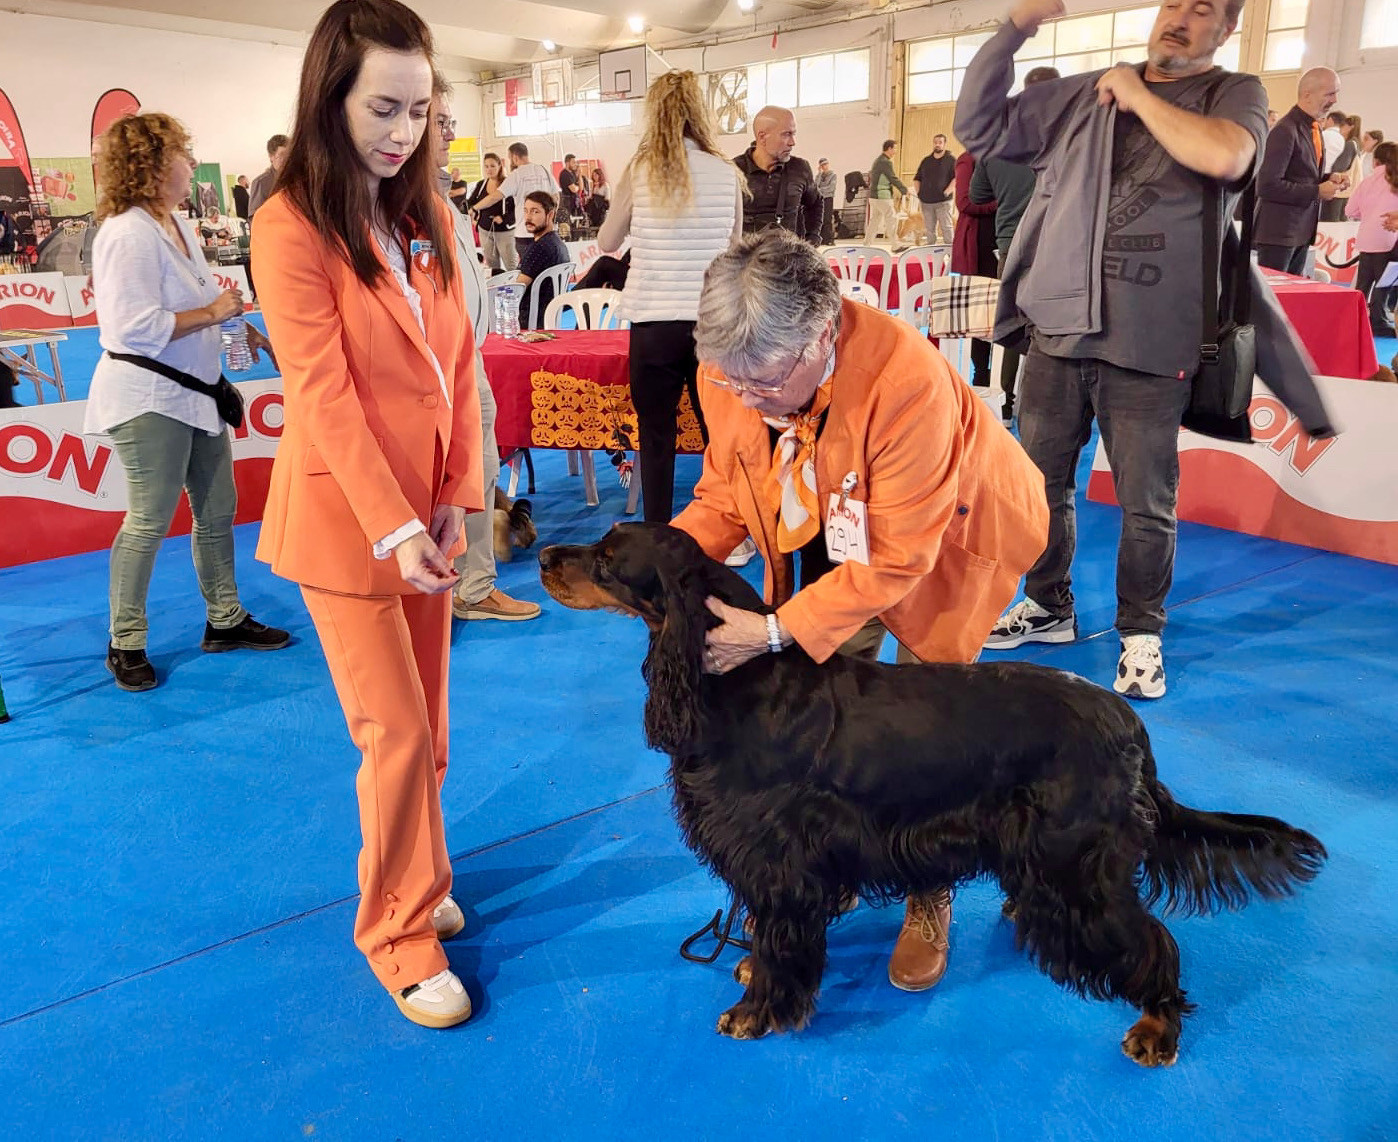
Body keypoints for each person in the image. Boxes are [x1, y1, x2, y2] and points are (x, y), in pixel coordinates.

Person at [673, 229, 1049, 996]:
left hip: (945, 540)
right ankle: (842, 859)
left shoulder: (906, 379)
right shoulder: (735, 364)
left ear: (821, 335)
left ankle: (929, 888)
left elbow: (900, 557)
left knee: (928, 731)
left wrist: (776, 629)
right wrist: (667, 575)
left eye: (765, 383)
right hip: (830, 534)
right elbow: (723, 492)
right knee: (832, 719)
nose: (746, 398)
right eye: (730, 381)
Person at [957, 0, 1329, 700]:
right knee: (1041, 488)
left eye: (1204, 10)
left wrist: (1135, 94)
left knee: (1146, 501)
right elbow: (977, 126)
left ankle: (1141, 632)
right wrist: (1015, 28)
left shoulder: (1233, 94)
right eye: (1174, 3)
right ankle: (1048, 605)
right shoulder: (1081, 94)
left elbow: (1225, 154)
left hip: (1153, 342)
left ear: (1224, 29)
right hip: (1058, 335)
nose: (1181, 17)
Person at [252, 0, 485, 1030]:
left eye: (420, 111)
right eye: (383, 108)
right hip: (346, 528)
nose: (402, 131)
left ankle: (424, 872)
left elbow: (461, 363)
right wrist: (395, 522)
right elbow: (323, 393)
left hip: (425, 518)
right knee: (392, 730)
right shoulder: (288, 222)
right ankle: (395, 930)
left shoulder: (425, 215)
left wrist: (454, 502)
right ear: (330, 100)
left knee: (429, 731)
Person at [83, 111, 288, 693]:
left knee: (216, 509)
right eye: (182, 154)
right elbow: (131, 328)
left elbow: (192, 304)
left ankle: (224, 618)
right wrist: (213, 313)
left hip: (196, 394)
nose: (192, 164)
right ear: (151, 164)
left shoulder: (173, 225)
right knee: (149, 520)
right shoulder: (126, 232)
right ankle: (125, 641)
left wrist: (231, 322)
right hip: (148, 397)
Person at [599, 69, 742, 524]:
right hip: (710, 323)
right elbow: (735, 248)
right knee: (719, 435)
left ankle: (656, 532)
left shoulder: (640, 171)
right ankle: (730, 524)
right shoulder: (726, 172)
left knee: (655, 437)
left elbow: (605, 242)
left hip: (654, 321)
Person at [428, 80, 540, 622]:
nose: (450, 134)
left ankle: (473, 585)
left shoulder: (441, 199)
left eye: (450, 123)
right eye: (442, 123)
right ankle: (462, 587)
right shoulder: (408, 201)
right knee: (459, 473)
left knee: (483, 469)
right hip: (442, 362)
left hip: (468, 355)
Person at [968, 65, 1061, 425]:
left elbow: (977, 195)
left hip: (1011, 245)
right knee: (1057, 328)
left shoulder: (998, 145)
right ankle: (1051, 409)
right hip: (1059, 245)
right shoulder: (1067, 137)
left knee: (1012, 325)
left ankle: (1006, 402)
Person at [1254, 69, 1347, 274]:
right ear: (1307, 94)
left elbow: (1301, 174)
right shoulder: (1285, 130)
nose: (1335, 100)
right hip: (1279, 235)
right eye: (1330, 94)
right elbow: (1267, 185)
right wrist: (1317, 191)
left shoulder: (1313, 129)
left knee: (1291, 301)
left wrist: (1329, 179)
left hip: (1300, 233)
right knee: (1274, 301)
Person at [734, 105, 822, 242]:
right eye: (786, 134)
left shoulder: (800, 168)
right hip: (747, 260)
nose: (793, 142)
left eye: (793, 134)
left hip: (789, 259)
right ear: (762, 137)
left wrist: (812, 238)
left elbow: (815, 203)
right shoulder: (734, 171)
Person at [951, 151, 997, 388]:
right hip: (978, 244)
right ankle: (981, 372)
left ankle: (1000, 376)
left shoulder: (1007, 157)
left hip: (1001, 238)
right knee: (981, 312)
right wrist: (1001, 204)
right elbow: (963, 202)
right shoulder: (968, 160)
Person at [468, 141, 558, 262]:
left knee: (527, 271)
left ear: (514, 157)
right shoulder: (544, 170)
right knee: (547, 267)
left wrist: (475, 208)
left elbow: (495, 196)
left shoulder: (516, 175)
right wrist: (549, 218)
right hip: (546, 231)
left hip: (525, 233)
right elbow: (556, 197)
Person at [1346, 141, 1398, 337]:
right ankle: (1379, 321)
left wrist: (1368, 214)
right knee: (1383, 284)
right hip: (1389, 238)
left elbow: (1349, 210)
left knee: (1363, 284)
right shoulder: (1395, 180)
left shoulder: (1366, 181)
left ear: (1375, 161)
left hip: (1366, 238)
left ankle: (1354, 319)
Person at [515, 190, 569, 328]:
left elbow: (517, 287)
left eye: (535, 212)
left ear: (550, 215)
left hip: (529, 321)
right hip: (549, 317)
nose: (528, 217)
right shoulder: (557, 243)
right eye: (526, 211)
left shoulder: (540, 248)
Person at [465, 152, 516, 272]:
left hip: (504, 232)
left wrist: (504, 218)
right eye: (486, 166)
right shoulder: (481, 184)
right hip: (485, 230)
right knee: (492, 266)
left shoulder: (509, 183)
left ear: (500, 166)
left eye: (492, 166)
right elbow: (471, 202)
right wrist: (473, 214)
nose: (489, 169)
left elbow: (516, 208)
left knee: (511, 265)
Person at [913, 135, 957, 245]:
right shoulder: (926, 161)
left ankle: (950, 254)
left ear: (944, 144)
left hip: (943, 202)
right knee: (929, 229)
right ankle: (930, 254)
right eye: (935, 142)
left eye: (940, 142)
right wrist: (919, 193)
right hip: (926, 202)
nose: (937, 144)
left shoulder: (951, 160)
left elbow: (956, 178)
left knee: (946, 228)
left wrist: (947, 191)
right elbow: (917, 178)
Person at [867, 139, 908, 243]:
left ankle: (866, 244)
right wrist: (904, 190)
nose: (895, 151)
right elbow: (892, 178)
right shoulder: (886, 162)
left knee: (874, 221)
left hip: (873, 196)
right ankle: (896, 244)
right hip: (882, 195)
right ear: (889, 148)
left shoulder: (878, 160)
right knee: (891, 218)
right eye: (894, 149)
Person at [1322, 112, 1361, 222]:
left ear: (1350, 127)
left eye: (1342, 126)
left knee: (1331, 222)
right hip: (1345, 192)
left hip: (1338, 192)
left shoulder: (1349, 144)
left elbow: (1340, 167)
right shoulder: (1356, 143)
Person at [247, 133, 289, 217]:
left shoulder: (296, 180)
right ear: (271, 156)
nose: (287, 159)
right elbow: (255, 219)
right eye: (282, 155)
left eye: (289, 154)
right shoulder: (261, 183)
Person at [815, 157, 838, 244]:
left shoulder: (833, 175)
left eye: (826, 164)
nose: (825, 166)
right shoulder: (819, 176)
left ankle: (830, 239)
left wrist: (820, 190)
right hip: (820, 199)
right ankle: (822, 239)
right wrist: (819, 174)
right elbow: (815, 186)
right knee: (821, 219)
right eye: (823, 165)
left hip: (828, 198)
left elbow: (831, 188)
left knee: (828, 219)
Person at [558, 153, 581, 220]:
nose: (575, 164)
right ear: (567, 163)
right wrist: (577, 187)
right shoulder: (565, 174)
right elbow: (573, 189)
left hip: (574, 200)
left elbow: (580, 185)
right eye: (573, 162)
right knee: (569, 220)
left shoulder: (572, 173)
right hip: (567, 200)